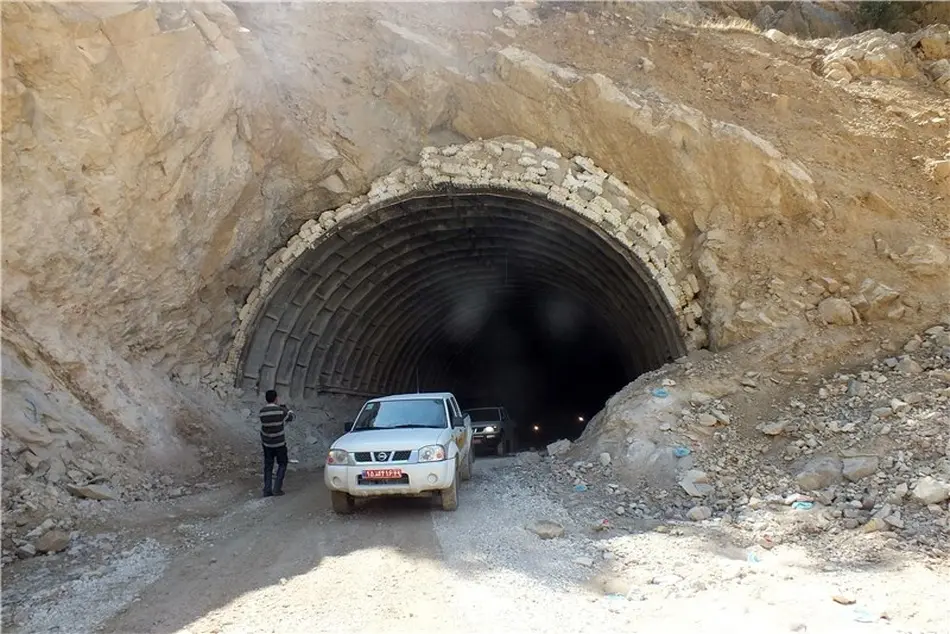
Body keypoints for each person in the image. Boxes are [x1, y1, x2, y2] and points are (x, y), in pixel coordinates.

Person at [259, 389, 295, 497]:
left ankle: (267, 489)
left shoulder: (262, 412)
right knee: (282, 464)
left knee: (268, 466)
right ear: (276, 398)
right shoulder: (280, 411)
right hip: (279, 443)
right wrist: (287, 409)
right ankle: (277, 488)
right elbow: (291, 418)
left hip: (267, 444)